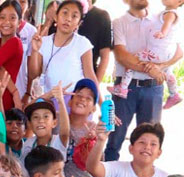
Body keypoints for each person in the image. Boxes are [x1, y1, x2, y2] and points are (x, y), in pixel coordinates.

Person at [105, 0, 183, 162]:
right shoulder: (119, 23)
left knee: (150, 141)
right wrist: (151, 69)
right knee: (114, 135)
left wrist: (160, 67)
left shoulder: (160, 18)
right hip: (125, 88)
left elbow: (178, 51)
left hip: (153, 89)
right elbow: (121, 55)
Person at [28, 0, 96, 98]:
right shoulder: (43, 42)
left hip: (74, 102)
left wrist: (100, 103)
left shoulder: (82, 43)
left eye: (74, 16)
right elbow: (33, 75)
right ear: (56, 16)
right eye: (65, 13)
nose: (68, 19)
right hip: (50, 100)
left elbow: (90, 76)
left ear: (79, 23)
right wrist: (35, 50)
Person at [77, 0, 112, 83]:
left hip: (86, 80)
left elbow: (105, 57)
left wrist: (94, 88)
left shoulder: (101, 16)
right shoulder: (64, 12)